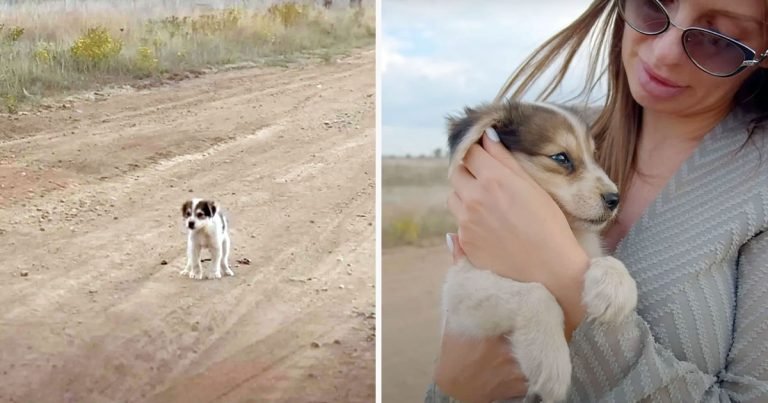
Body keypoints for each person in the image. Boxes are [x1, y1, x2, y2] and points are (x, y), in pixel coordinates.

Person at [425, 0, 768, 401]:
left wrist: (569, 291)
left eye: (717, 36)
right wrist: (452, 384)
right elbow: (460, 360)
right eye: (651, 5)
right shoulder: (569, 130)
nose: (663, 52)